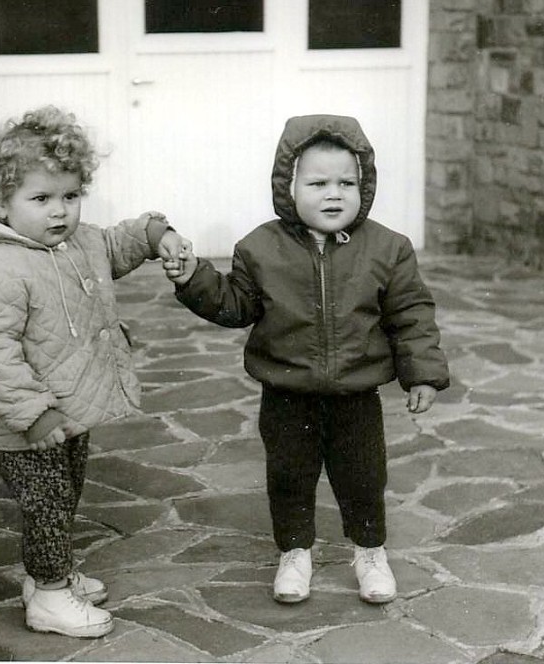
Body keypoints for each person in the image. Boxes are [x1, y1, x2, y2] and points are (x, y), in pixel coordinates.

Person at [164, 114, 449, 605]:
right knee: (289, 478)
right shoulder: (259, 248)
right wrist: (193, 278)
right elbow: (235, 306)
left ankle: (370, 552)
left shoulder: (388, 248)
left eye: (347, 183)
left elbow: (411, 315)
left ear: (365, 186)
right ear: (288, 187)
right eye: (318, 183)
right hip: (287, 395)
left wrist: (422, 373)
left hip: (356, 396)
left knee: (363, 478)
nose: (333, 194)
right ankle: (294, 554)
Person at [0, 106, 190, 638]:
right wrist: (33, 414)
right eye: (41, 199)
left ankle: (51, 575)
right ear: (1, 203)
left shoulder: (75, 242)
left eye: (70, 196)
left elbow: (115, 244)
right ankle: (50, 595)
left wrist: (158, 234)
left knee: (66, 493)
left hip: (67, 410)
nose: (59, 211)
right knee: (48, 502)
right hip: (24, 423)